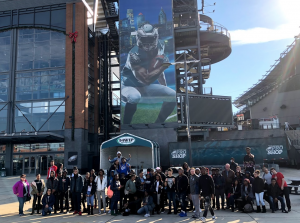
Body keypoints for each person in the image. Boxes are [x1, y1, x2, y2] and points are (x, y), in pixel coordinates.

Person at [121, 23, 176, 125]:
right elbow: (145, 79)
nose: (148, 43)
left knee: (172, 95)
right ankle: (126, 125)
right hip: (129, 86)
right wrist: (163, 66)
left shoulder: (160, 46)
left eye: (150, 39)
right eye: (144, 40)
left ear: (155, 38)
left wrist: (164, 90)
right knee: (134, 97)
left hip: (145, 87)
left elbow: (157, 69)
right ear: (139, 38)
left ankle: (158, 124)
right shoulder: (134, 54)